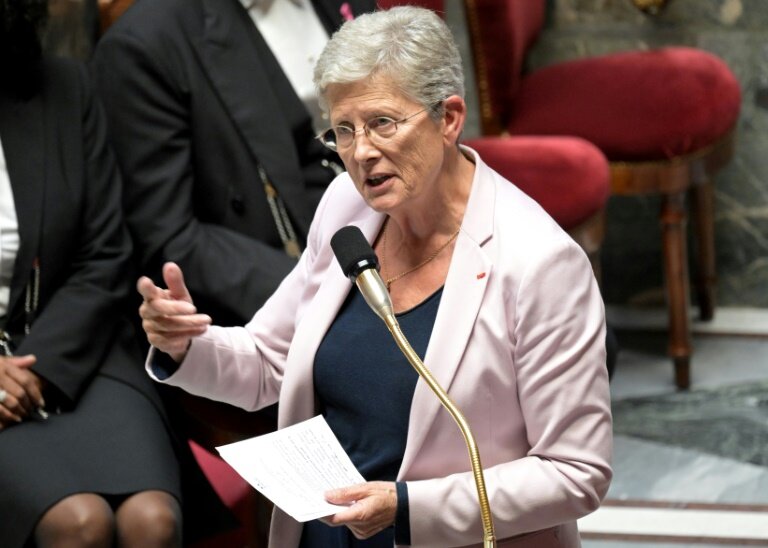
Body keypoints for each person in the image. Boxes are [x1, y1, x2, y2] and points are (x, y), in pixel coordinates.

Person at [138, 6, 613, 547]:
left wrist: (406, 509)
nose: (361, 153)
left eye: (383, 123)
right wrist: (183, 347)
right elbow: (270, 360)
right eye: (343, 130)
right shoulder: (346, 206)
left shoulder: (539, 262)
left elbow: (575, 472)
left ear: (449, 118)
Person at [0, 1, 188, 546]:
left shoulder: (63, 87)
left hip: (76, 350)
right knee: (78, 524)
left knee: (151, 521)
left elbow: (105, 254)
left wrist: (38, 370)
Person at [91, 0, 376, 329]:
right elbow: (171, 236)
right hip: (285, 290)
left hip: (396, 230)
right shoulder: (144, 45)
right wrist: (322, 291)